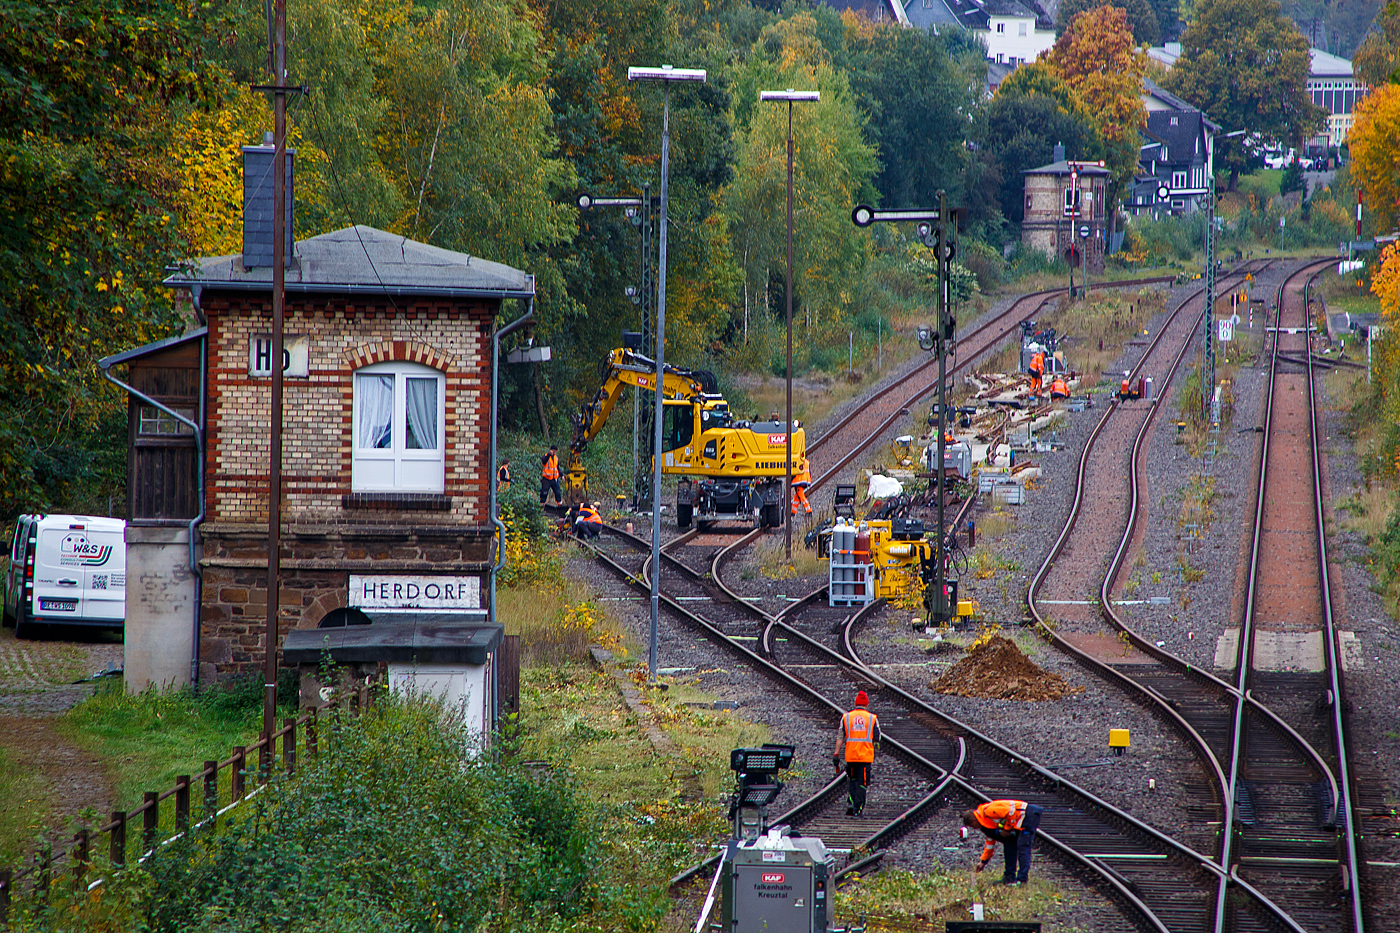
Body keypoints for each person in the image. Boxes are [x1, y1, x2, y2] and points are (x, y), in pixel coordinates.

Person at [962, 799, 1044, 886]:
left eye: (972, 826)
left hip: (1028, 815)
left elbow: (1010, 812)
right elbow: (990, 842)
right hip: (1020, 820)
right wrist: (983, 861)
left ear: (973, 821)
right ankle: (1009, 877)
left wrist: (1006, 829)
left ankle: (1022, 880)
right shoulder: (985, 822)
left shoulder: (988, 811)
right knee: (1009, 843)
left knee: (1023, 846)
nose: (974, 828)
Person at [832, 690, 880, 816]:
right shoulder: (872, 718)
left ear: (855, 703)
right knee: (862, 783)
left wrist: (836, 754)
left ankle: (851, 804)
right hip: (865, 757)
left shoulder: (847, 717)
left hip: (851, 756)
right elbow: (877, 737)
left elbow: (840, 737)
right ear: (866, 704)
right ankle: (858, 809)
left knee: (852, 780)